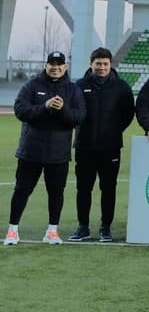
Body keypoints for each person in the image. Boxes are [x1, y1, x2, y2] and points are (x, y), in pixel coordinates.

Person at [4, 52, 86, 246]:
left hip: (58, 154)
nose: (55, 67)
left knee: (56, 193)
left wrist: (63, 109)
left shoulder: (73, 90)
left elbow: (79, 116)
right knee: (22, 190)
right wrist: (45, 106)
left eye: (59, 64)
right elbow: (20, 110)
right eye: (52, 63)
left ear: (65, 67)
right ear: (45, 65)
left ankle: (52, 231)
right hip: (31, 151)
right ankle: (12, 230)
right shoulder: (31, 86)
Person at [69, 48, 135, 243]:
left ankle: (105, 227)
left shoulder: (122, 87)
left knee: (108, 188)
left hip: (111, 147)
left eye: (105, 64)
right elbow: (73, 111)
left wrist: (113, 131)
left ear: (110, 65)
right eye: (98, 63)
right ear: (91, 64)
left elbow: (128, 114)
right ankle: (83, 227)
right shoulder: (79, 85)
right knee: (83, 188)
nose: (102, 67)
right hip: (84, 146)